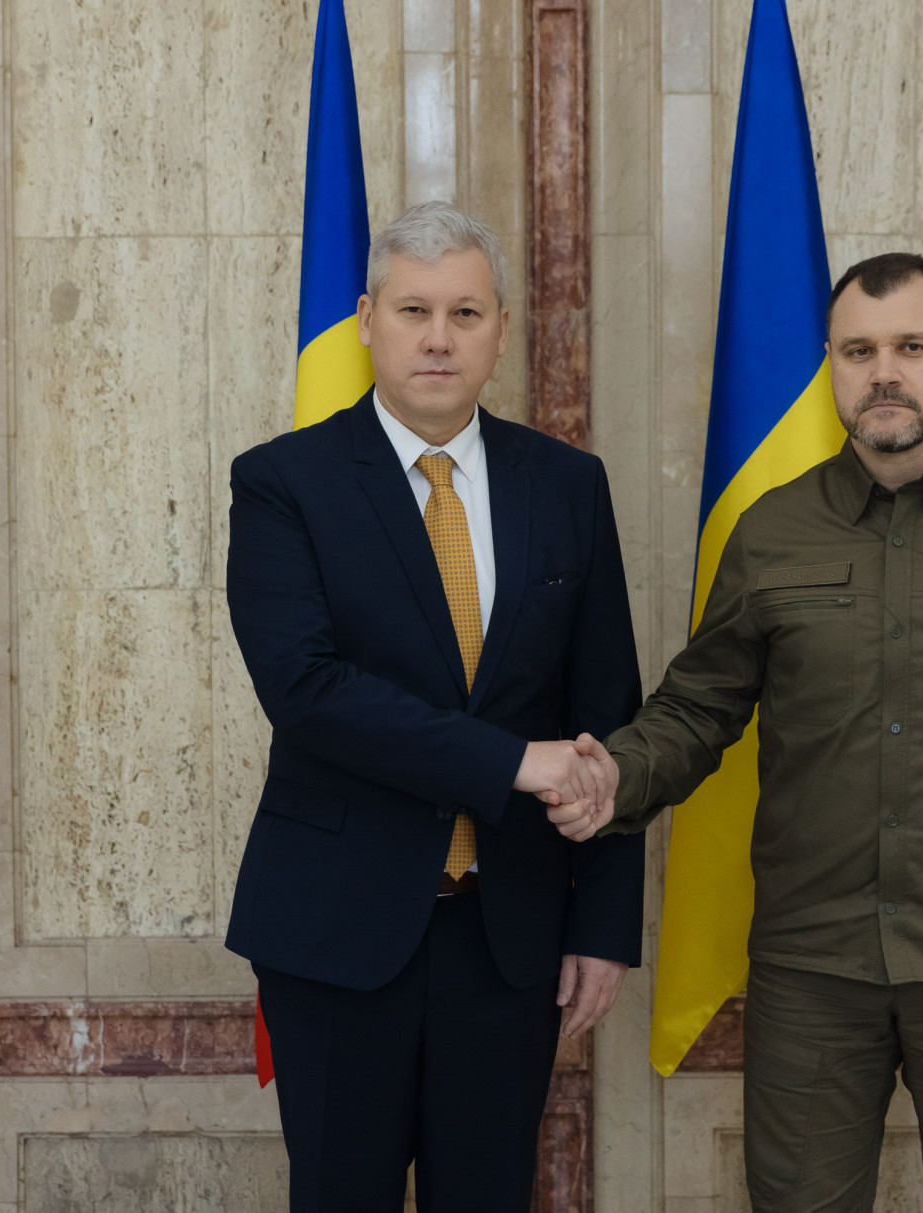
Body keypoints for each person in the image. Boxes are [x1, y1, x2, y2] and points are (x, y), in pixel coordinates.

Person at [551, 253, 923, 1213]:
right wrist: (611, 776)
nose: (885, 371)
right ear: (831, 365)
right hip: (811, 971)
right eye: (859, 350)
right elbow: (699, 705)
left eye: (911, 347)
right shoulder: (772, 531)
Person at [224, 201, 638, 1212]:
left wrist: (606, 922)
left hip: (509, 939)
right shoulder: (284, 482)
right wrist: (510, 762)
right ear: (367, 319)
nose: (438, 337)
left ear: (501, 327)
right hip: (335, 929)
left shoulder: (569, 486)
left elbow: (607, 715)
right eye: (414, 309)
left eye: (465, 311)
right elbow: (308, 692)